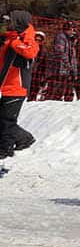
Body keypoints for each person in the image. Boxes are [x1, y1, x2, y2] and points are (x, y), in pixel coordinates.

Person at [2, 10, 39, 159]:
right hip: (5, 85)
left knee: (6, 121)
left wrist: (15, 42)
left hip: (17, 87)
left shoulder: (28, 38)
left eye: (9, 21)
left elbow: (30, 52)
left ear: (18, 23)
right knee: (3, 120)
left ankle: (9, 147)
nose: (6, 24)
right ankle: (17, 142)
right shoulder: (10, 37)